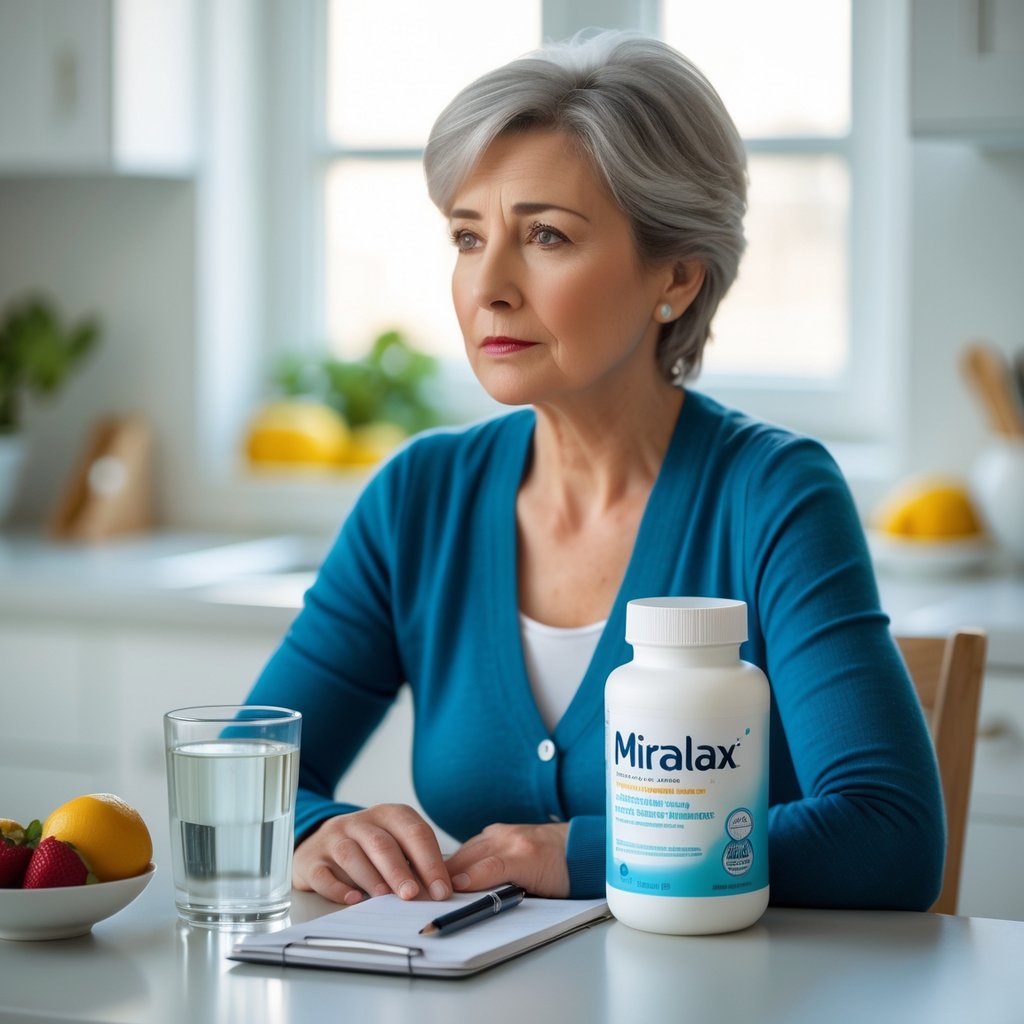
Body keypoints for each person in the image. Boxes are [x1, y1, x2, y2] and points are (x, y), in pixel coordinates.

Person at [245, 31, 945, 911]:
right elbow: (248, 769)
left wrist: (578, 857)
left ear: (677, 279)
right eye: (467, 237)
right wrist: (314, 828)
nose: (489, 285)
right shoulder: (418, 498)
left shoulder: (773, 497)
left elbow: (889, 839)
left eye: (544, 235)